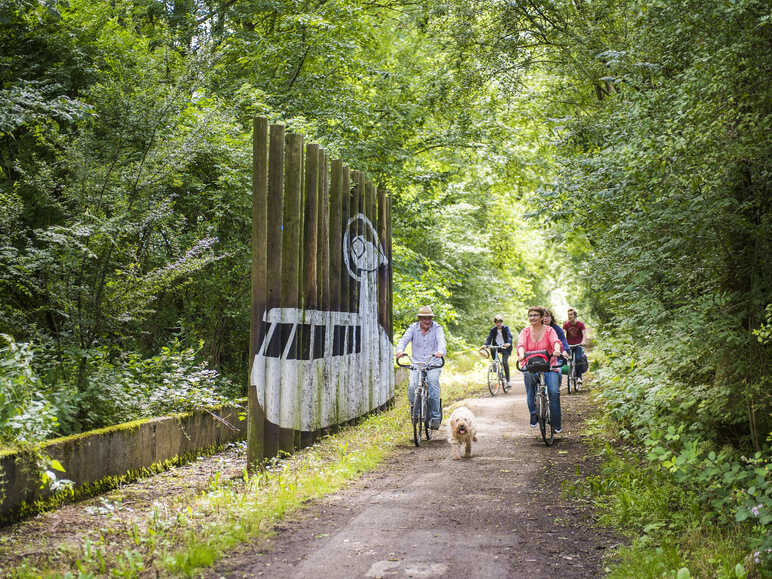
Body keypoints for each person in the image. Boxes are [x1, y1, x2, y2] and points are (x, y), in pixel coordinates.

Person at [396, 305, 446, 429]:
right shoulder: (413, 328)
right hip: (417, 364)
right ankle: (415, 412)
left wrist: (440, 351)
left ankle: (435, 417)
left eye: (429, 318)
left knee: (433, 384)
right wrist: (400, 350)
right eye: (424, 318)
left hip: (433, 363)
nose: (427, 321)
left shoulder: (437, 328)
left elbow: (441, 341)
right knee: (413, 386)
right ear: (419, 318)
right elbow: (403, 340)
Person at [517, 306, 563, 432]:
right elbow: (521, 345)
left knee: (554, 392)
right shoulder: (525, 332)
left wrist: (557, 350)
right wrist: (521, 354)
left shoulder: (549, 330)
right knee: (530, 391)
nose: (533, 318)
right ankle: (533, 413)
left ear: (542, 317)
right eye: (530, 315)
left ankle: (556, 424)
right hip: (530, 365)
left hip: (549, 365)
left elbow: (556, 342)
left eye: (536, 315)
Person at [543, 308, 570, 387]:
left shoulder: (556, 328)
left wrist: (565, 350)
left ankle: (556, 388)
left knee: (558, 373)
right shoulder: (537, 328)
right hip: (541, 356)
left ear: (551, 318)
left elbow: (563, 340)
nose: (545, 318)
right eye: (543, 316)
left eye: (547, 316)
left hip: (555, 356)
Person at [484, 314, 513, 385]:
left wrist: (508, 343)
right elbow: (489, 338)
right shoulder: (493, 330)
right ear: (495, 323)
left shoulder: (506, 328)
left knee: (504, 362)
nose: (498, 323)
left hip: (505, 347)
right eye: (497, 322)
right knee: (494, 360)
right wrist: (485, 344)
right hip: (496, 346)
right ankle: (495, 368)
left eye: (500, 322)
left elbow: (509, 336)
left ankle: (508, 381)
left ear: (502, 322)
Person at [563, 307, 587, 386]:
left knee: (578, 359)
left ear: (575, 315)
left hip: (578, 345)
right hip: (569, 345)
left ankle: (579, 377)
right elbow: (563, 334)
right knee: (567, 360)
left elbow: (584, 334)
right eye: (568, 315)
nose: (569, 316)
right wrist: (563, 343)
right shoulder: (566, 324)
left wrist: (583, 341)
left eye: (571, 314)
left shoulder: (580, 324)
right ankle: (570, 374)